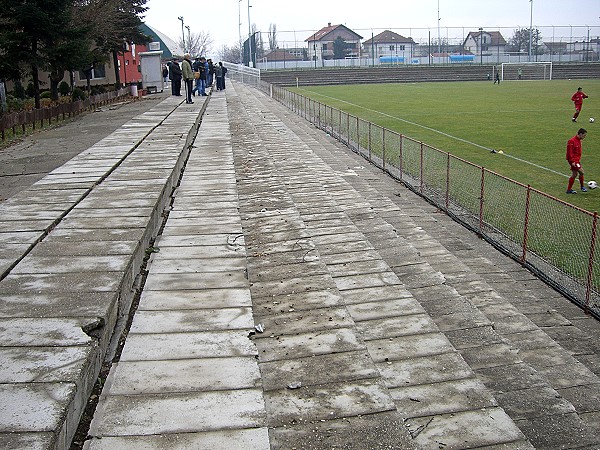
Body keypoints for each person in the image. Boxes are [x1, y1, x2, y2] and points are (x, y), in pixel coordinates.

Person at [566, 128, 588, 194]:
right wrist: (572, 162)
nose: (584, 137)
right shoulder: (571, 141)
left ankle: (569, 189)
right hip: (574, 160)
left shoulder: (579, 140)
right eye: (584, 136)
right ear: (580, 134)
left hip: (576, 160)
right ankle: (582, 187)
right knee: (581, 172)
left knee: (574, 174)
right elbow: (569, 152)